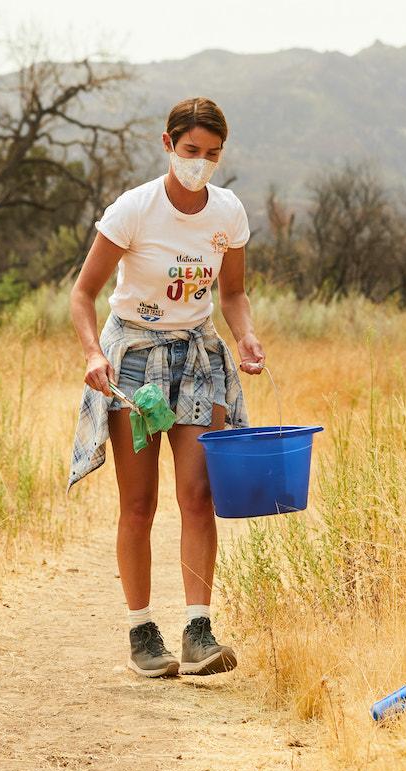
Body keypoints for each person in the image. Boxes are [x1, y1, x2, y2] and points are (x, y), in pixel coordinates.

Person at [67, 97, 265, 678]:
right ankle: (142, 634)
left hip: (198, 358)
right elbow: (83, 295)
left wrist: (246, 335)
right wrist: (91, 353)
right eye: (190, 151)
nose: (200, 163)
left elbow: (231, 294)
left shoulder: (228, 213)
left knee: (200, 496)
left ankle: (199, 632)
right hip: (133, 360)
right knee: (139, 503)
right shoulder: (133, 211)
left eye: (211, 154)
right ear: (168, 145)